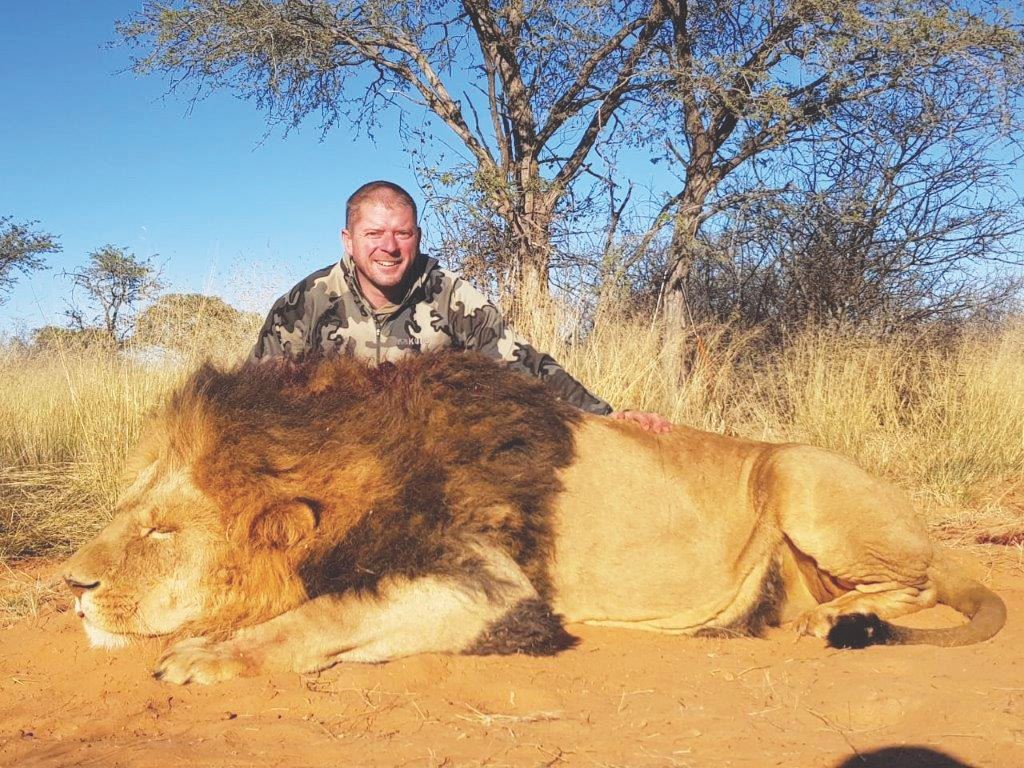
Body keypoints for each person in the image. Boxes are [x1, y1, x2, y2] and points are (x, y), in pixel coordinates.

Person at [250, 180, 670, 433]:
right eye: (374, 233)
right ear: (348, 240)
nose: (389, 247)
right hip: (335, 448)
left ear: (417, 237)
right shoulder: (306, 302)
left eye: (402, 234)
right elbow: (255, 396)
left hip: (426, 449)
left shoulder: (450, 294)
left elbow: (522, 363)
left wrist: (606, 418)